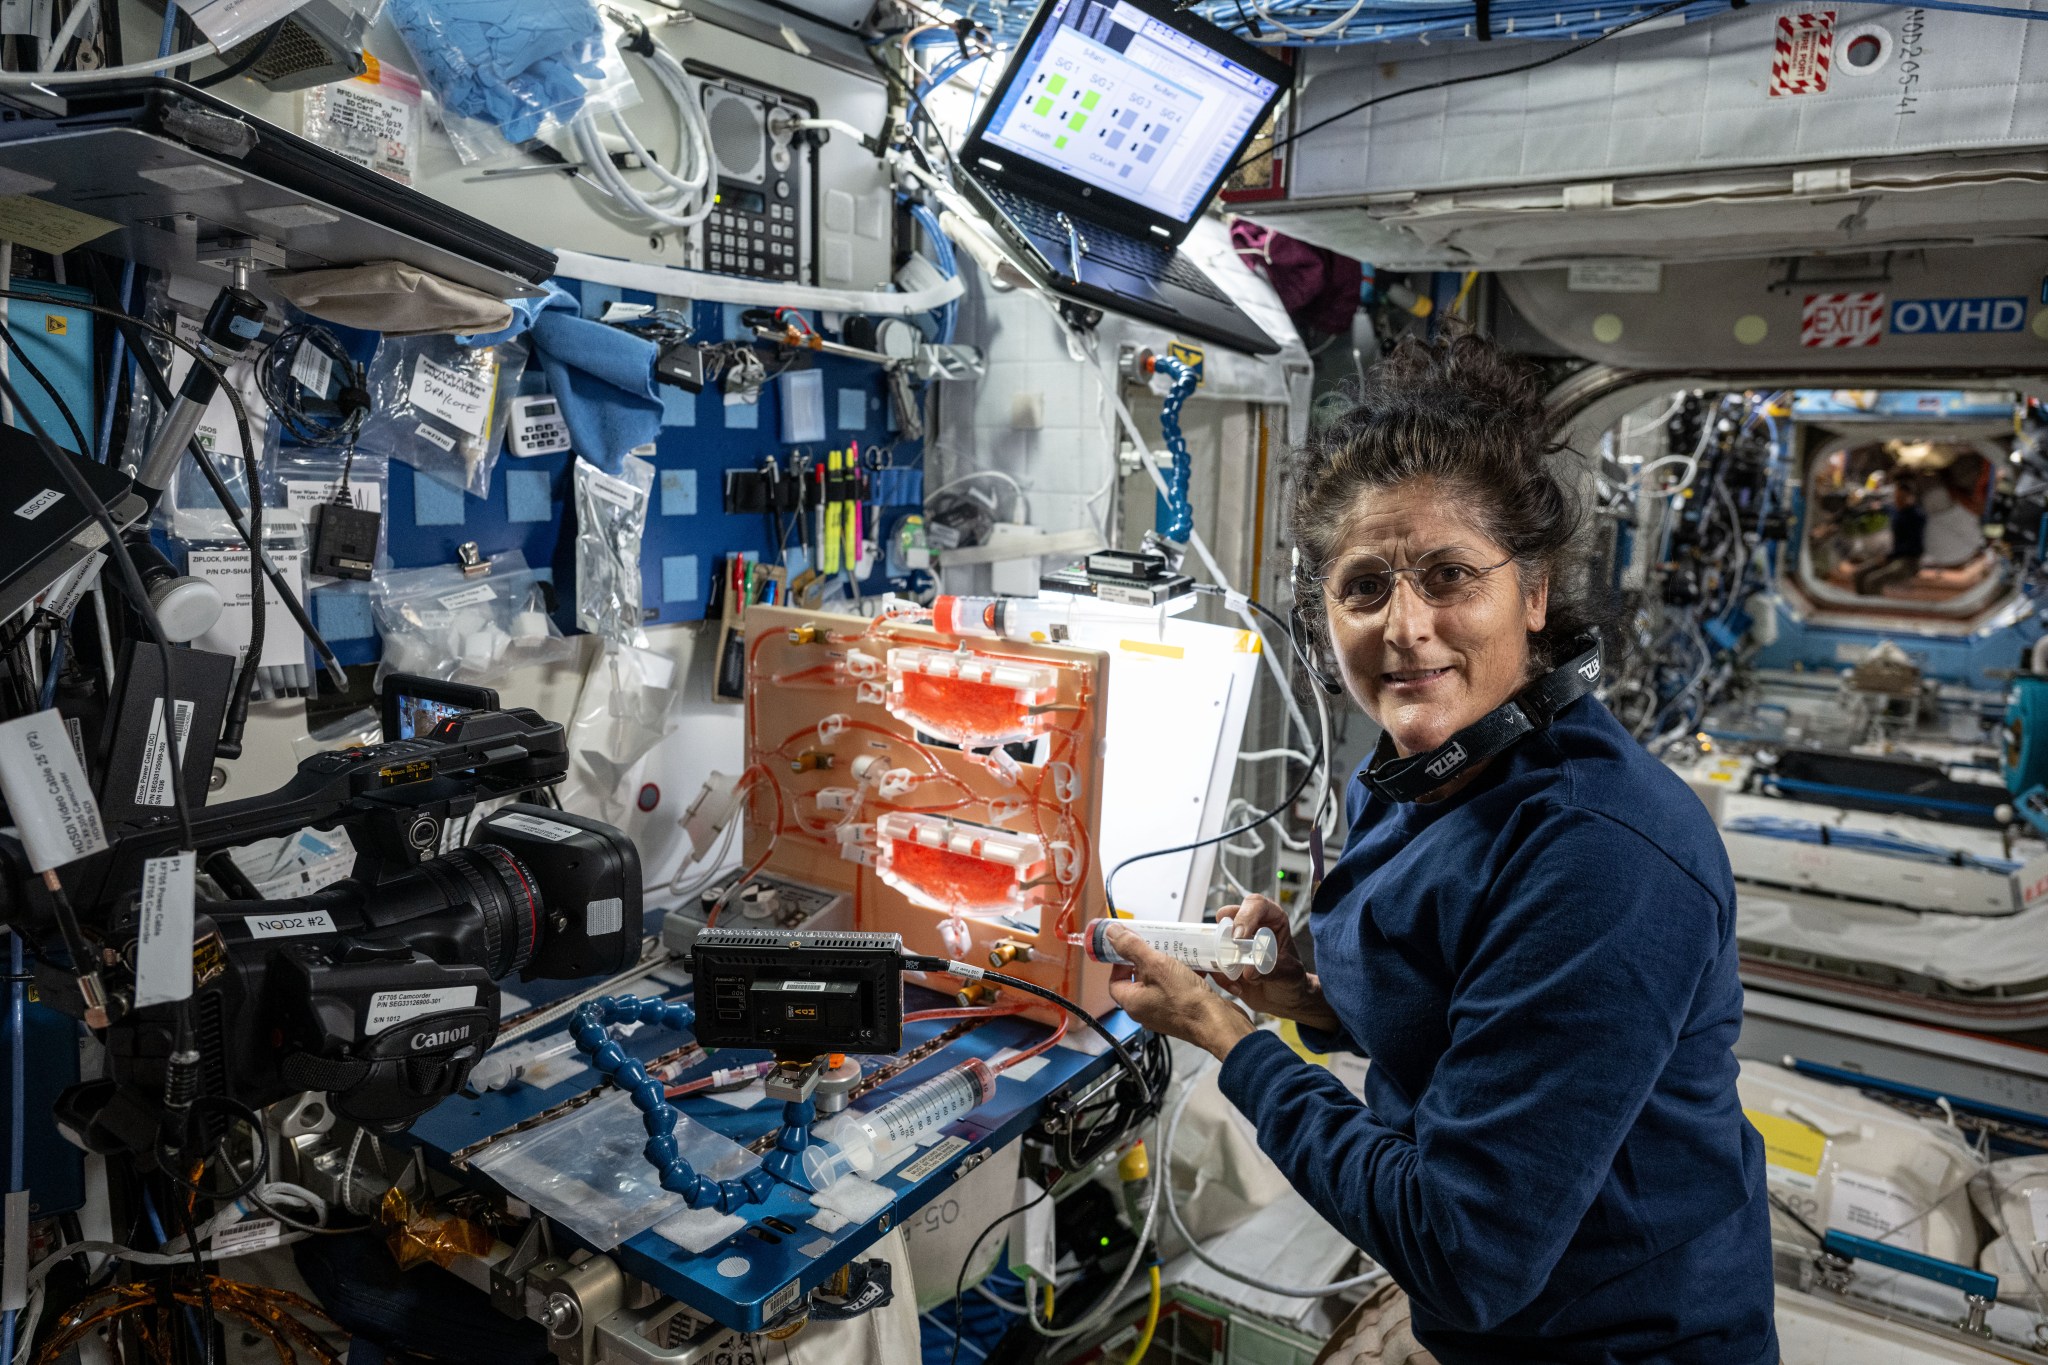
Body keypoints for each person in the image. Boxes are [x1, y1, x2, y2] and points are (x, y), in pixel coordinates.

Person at [1105, 333, 1778, 1365]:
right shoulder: (1426, 767)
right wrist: (1305, 1000)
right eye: (1363, 587)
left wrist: (1231, 1044)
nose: (1405, 626)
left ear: (1535, 594)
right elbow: (1466, 1012)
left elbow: (1463, 1248)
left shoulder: (1597, 854)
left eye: (1448, 575)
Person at [1853, 476, 1925, 595]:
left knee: (1872, 581)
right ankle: (1863, 607)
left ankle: (1875, 610)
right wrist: (1876, 507)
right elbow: (1888, 509)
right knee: (1859, 574)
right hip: (1893, 557)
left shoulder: (1916, 517)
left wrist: (1889, 557)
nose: (1896, 499)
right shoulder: (1897, 511)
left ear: (1907, 497)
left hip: (1908, 561)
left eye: (1899, 496)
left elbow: (1912, 547)